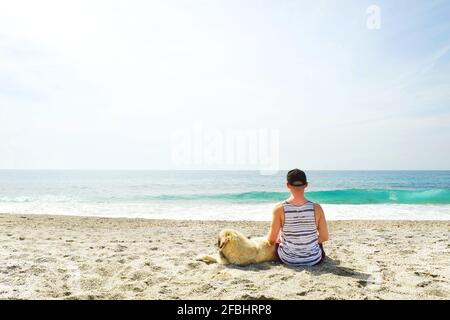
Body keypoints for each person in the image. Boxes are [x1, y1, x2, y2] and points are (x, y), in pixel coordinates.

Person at [267, 169, 329, 266]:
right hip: (314, 259)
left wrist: (280, 238)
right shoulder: (317, 208)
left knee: (279, 241)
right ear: (306, 184)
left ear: (288, 185)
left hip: (288, 259)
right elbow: (324, 237)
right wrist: (309, 241)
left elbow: (271, 239)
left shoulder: (279, 209)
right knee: (318, 244)